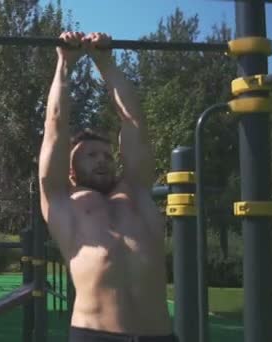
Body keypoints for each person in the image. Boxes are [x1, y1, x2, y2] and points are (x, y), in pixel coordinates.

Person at [38, 31, 177, 342]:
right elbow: (56, 126)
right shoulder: (62, 202)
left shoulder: (136, 194)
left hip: (158, 336)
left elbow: (134, 123)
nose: (102, 161)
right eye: (90, 156)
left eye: (106, 155)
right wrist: (64, 64)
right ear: (71, 171)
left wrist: (106, 63)